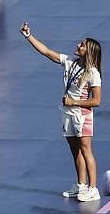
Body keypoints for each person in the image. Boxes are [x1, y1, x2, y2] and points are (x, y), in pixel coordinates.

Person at [20, 22, 102, 202]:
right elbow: (47, 52)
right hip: (68, 112)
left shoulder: (93, 73)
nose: (78, 45)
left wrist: (74, 101)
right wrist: (28, 36)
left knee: (86, 149)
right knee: (75, 150)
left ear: (88, 52)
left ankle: (93, 188)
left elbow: (96, 101)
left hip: (82, 115)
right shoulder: (70, 62)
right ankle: (81, 184)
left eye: (82, 45)